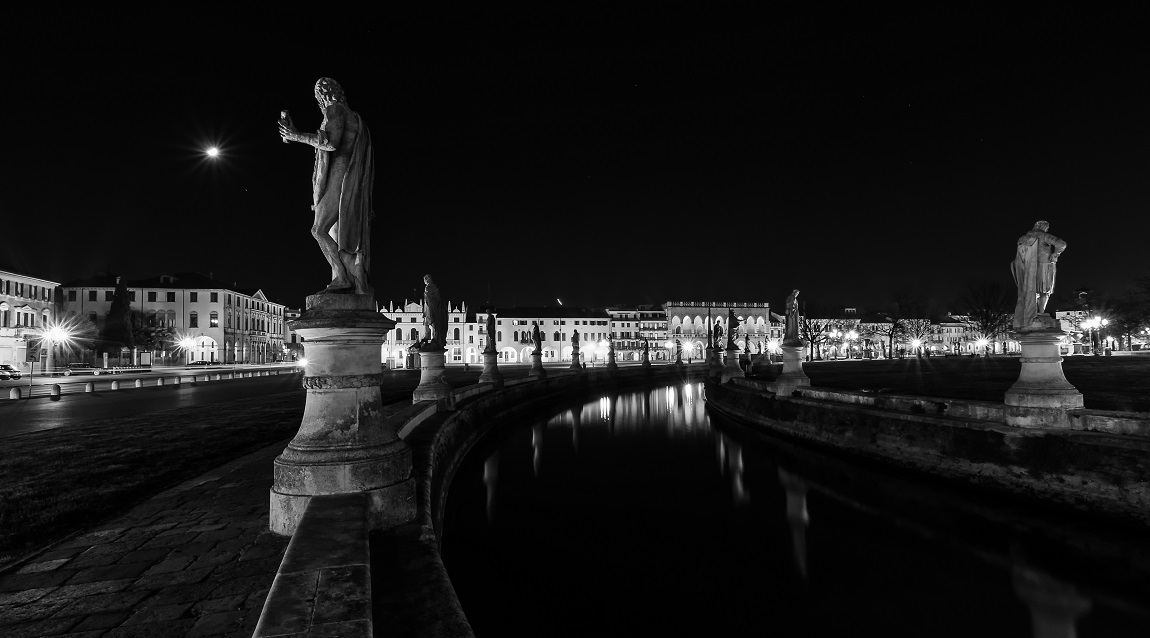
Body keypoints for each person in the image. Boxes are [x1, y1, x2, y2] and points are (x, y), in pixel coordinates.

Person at [279, 78, 375, 295]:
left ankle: (342, 276)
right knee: (338, 233)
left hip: (338, 178)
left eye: (318, 97)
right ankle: (352, 273)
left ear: (322, 95)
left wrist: (295, 135)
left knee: (318, 229)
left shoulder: (334, 110)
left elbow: (330, 143)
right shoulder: (356, 118)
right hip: (352, 181)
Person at [1011, 221, 1067, 330]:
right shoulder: (1043, 236)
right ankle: (1041, 312)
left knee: (1031, 291)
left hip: (1028, 270)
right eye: (1046, 227)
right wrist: (1055, 254)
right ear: (1042, 227)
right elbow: (1061, 244)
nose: (1047, 229)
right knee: (1044, 291)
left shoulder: (1022, 239)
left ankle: (1031, 313)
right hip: (1044, 266)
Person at [422, 274, 447, 349]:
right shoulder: (433, 288)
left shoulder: (429, 287)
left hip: (431, 308)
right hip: (429, 307)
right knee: (428, 323)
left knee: (432, 323)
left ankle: (433, 338)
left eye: (425, 280)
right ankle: (429, 337)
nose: (424, 281)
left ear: (427, 279)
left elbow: (434, 298)